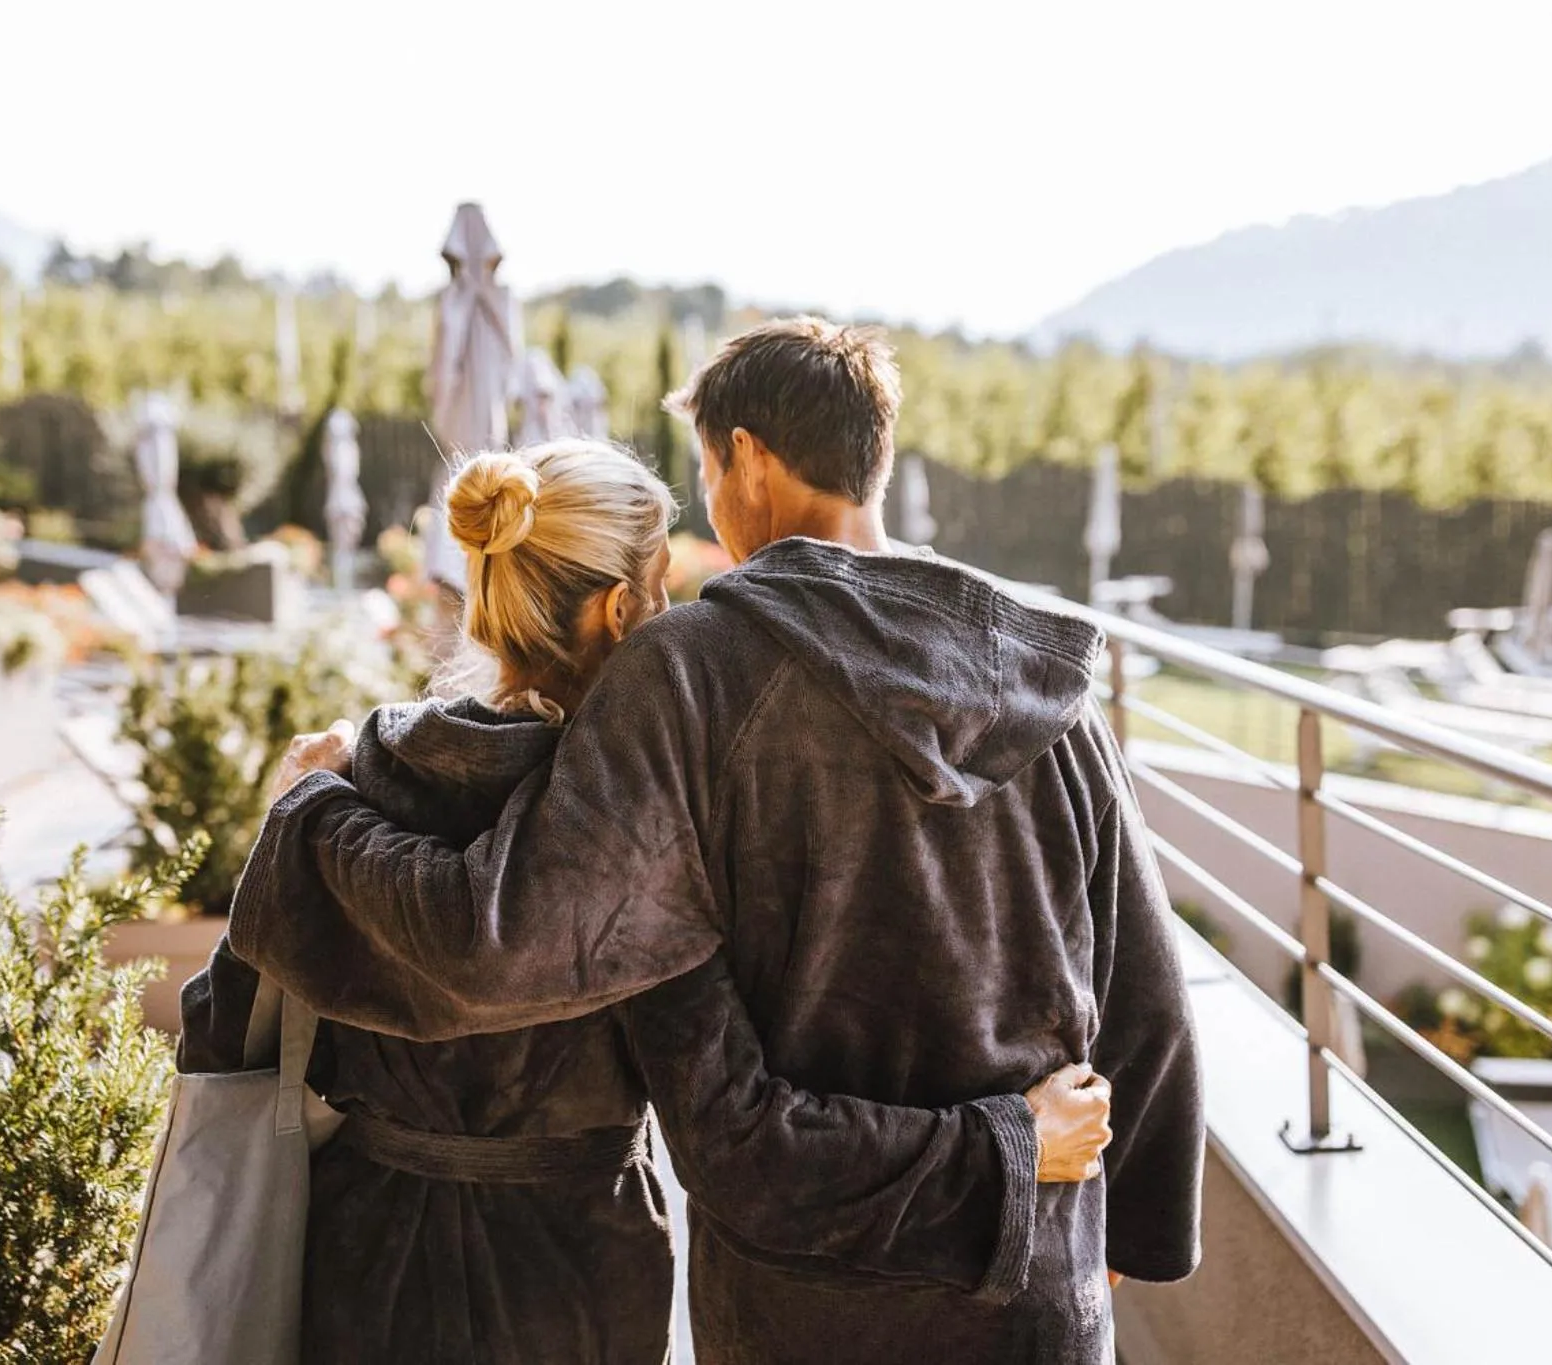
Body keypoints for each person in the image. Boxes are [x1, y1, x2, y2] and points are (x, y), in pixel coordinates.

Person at [247, 320, 1206, 1365]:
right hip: (1036, 1296)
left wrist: (317, 815)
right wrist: (1093, 1253)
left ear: (743, 457)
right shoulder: (1037, 672)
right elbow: (1150, 1014)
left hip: (803, 1313)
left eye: (705, 465)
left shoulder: (691, 672)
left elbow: (515, 942)